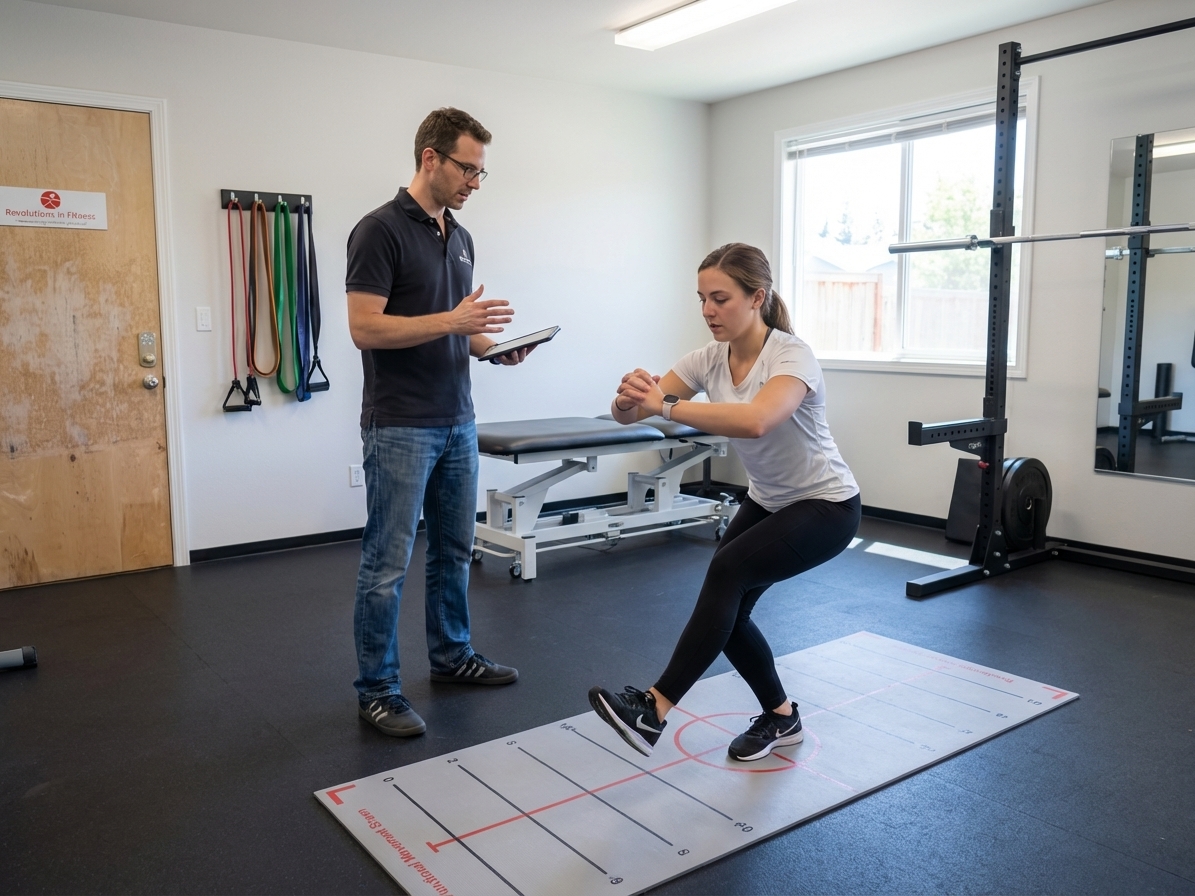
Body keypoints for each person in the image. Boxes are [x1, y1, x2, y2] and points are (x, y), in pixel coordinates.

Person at [589, 243, 860, 762]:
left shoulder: (790, 354)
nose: (708, 310)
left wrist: (664, 404)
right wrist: (627, 398)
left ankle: (653, 708)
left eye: (721, 298)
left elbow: (757, 419)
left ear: (757, 297)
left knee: (727, 574)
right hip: (769, 500)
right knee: (728, 610)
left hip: (827, 505)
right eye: (702, 299)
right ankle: (782, 718)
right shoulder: (706, 359)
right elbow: (631, 414)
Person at [346, 108, 531, 738]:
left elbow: (459, 332)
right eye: (468, 169)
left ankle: (452, 658)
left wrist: (493, 348)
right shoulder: (377, 231)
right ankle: (377, 690)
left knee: (454, 550)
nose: (475, 182)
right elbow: (364, 327)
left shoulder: (460, 235)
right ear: (431, 158)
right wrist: (452, 323)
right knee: (387, 563)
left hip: (458, 419)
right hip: (400, 425)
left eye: (482, 172)